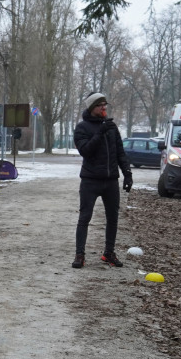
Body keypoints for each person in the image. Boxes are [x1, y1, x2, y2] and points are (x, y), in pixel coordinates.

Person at [72, 92, 132, 269]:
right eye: (100, 105)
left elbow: (120, 152)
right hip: (90, 181)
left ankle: (109, 252)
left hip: (111, 181)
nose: (104, 108)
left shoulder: (112, 127)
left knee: (113, 218)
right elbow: (86, 151)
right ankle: (79, 255)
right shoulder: (82, 128)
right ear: (92, 108)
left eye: (105, 105)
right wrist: (100, 133)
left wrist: (127, 173)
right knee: (85, 217)